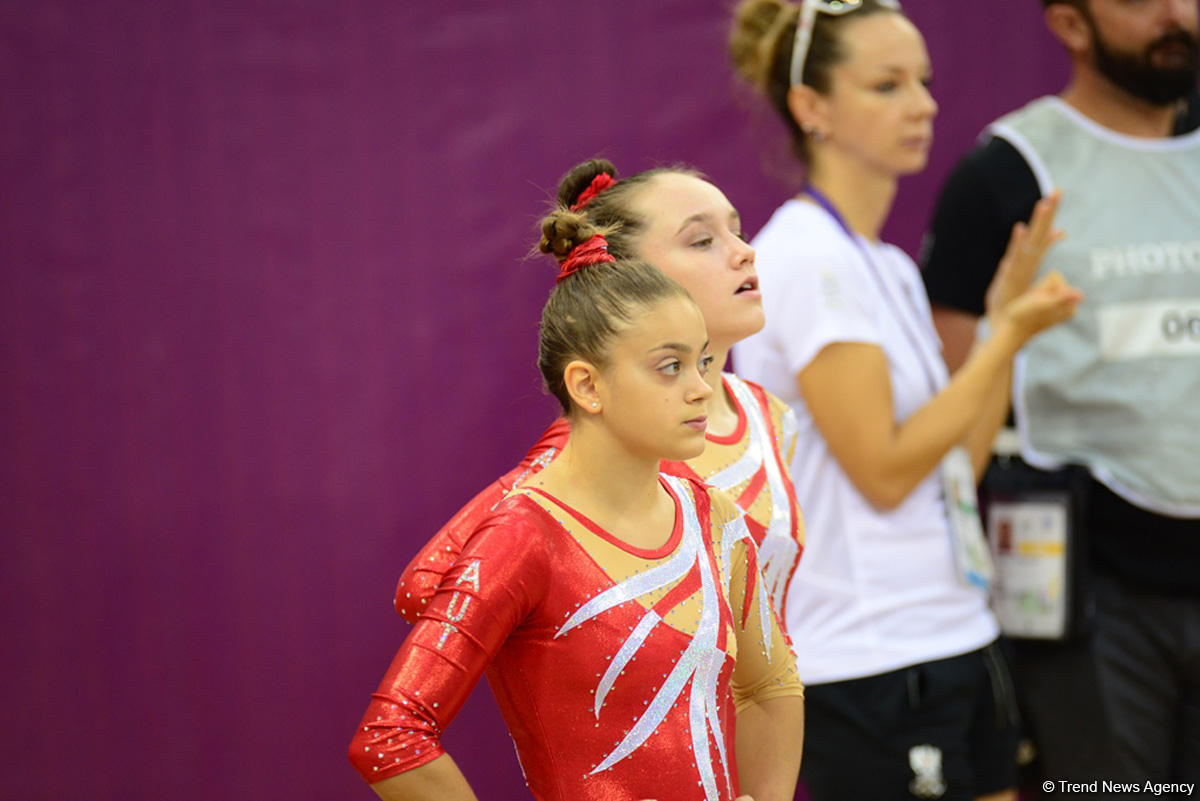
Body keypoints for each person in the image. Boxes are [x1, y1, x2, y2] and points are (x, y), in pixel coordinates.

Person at [727, 1, 1083, 799]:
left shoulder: (885, 264)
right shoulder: (806, 256)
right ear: (811, 107)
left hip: (960, 632)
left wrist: (1000, 334)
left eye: (923, 81)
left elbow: (955, 464)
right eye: (887, 85)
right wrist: (1001, 339)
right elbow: (885, 472)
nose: (922, 104)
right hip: (871, 660)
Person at [348, 214, 805, 801]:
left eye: (704, 363)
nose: (699, 388)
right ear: (587, 386)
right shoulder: (523, 536)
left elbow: (770, 684)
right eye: (670, 366)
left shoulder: (713, 517)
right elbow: (390, 737)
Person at [921, 0, 1200, 794]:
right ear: (1071, 24)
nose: (1174, 14)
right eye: (1138, 2)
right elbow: (954, 396)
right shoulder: (1008, 172)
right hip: (1091, 590)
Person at [397, 159, 806, 633]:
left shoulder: (769, 416)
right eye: (702, 241)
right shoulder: (612, 436)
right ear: (633, 278)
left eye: (737, 232)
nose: (745, 253)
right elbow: (423, 587)